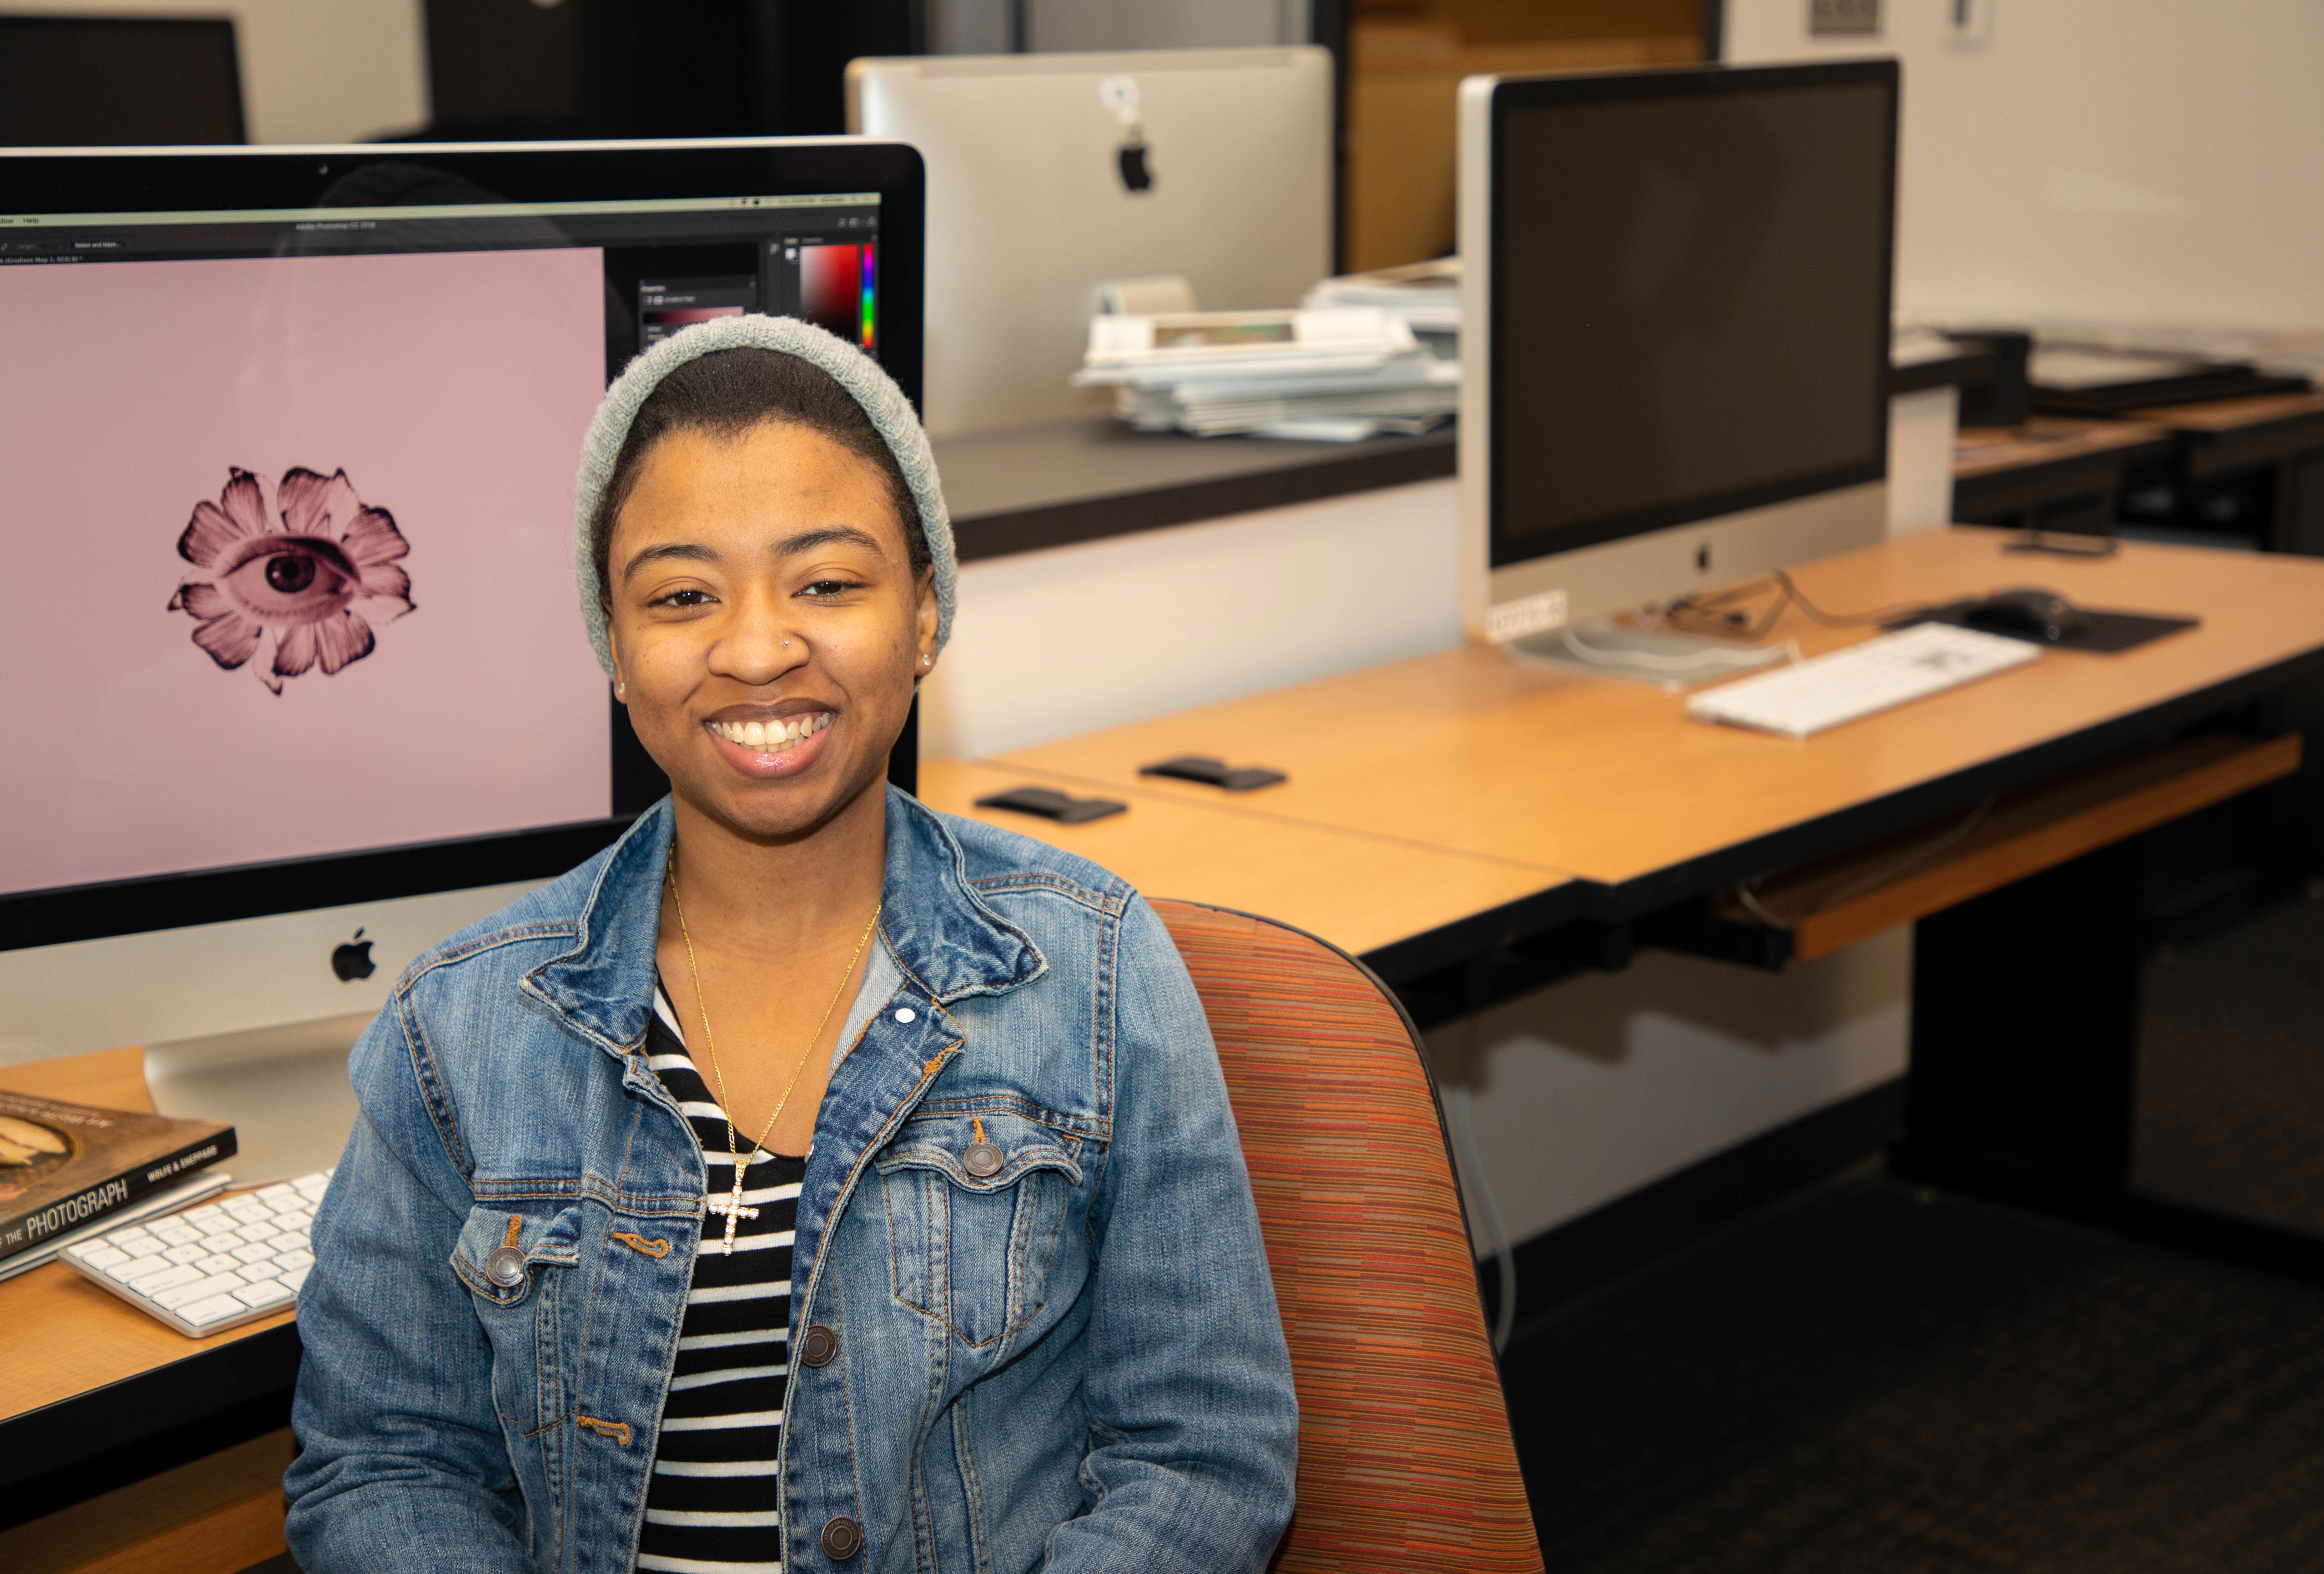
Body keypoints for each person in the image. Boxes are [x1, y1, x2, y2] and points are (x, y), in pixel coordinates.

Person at [283, 315, 1298, 1573]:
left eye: (827, 584)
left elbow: (1202, 1456)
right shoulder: (459, 1026)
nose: (758, 650)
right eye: (683, 597)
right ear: (613, 642)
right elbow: (387, 1467)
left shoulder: (1092, 972)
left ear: (925, 615)